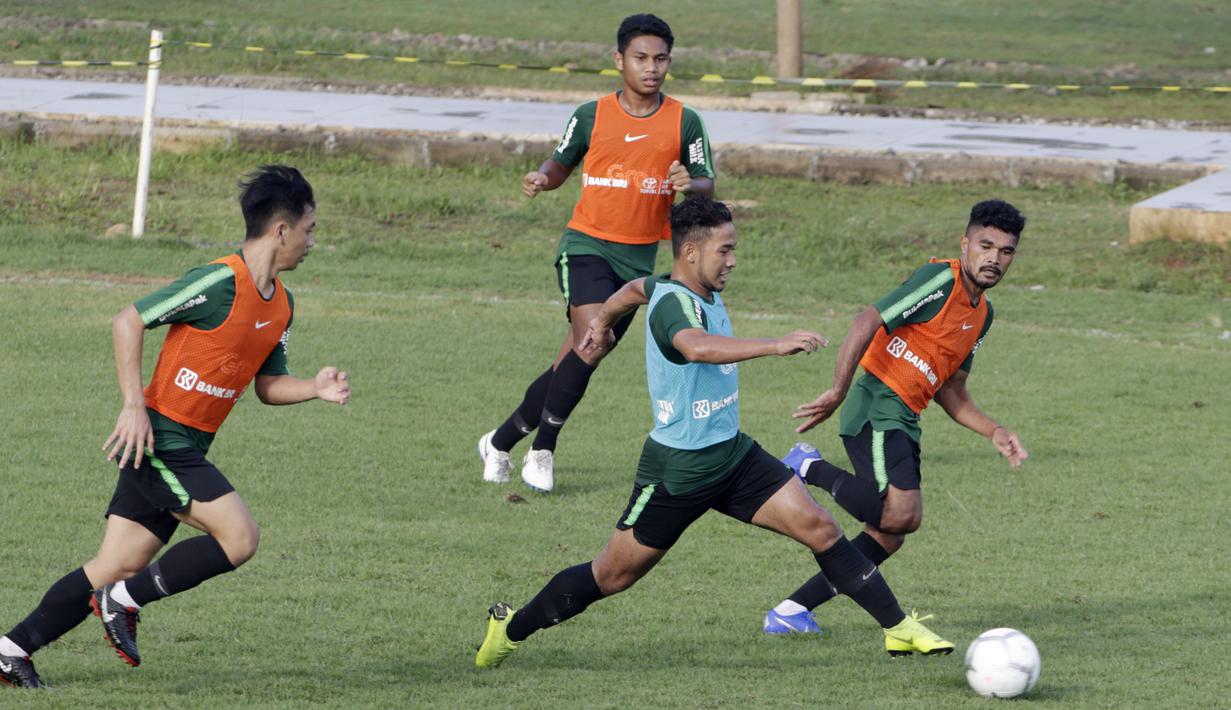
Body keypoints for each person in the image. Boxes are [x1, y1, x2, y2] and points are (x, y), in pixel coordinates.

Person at [474, 198, 953, 669]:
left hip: (734, 457)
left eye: (733, 248)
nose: (733, 260)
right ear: (691, 252)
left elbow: (634, 287)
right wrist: (775, 344)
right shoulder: (673, 307)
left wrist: (601, 320)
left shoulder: (673, 283)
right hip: (678, 472)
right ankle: (511, 628)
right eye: (724, 250)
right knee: (612, 575)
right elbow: (697, 347)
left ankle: (897, 629)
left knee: (822, 528)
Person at [0, 166, 351, 688]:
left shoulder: (281, 305)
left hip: (184, 445)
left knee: (115, 563)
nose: (313, 240)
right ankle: (121, 603)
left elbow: (268, 385)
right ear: (281, 229)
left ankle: (11, 650)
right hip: (159, 437)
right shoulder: (217, 281)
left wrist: (313, 388)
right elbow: (129, 319)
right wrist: (132, 405)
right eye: (311, 228)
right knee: (239, 536)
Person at [762, 199, 1028, 635]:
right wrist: (838, 389)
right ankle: (807, 466)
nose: (994, 259)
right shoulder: (940, 279)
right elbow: (867, 319)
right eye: (986, 246)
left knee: (888, 533)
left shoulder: (983, 316)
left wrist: (994, 431)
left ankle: (791, 610)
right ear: (966, 244)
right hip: (877, 407)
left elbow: (952, 390)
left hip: (905, 419)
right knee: (903, 514)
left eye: (1006, 251)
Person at [477, 13, 715, 493]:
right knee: (593, 340)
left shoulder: (685, 120)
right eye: (641, 58)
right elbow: (561, 161)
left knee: (576, 355)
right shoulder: (592, 114)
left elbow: (706, 181)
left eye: (661, 59)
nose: (652, 68)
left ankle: (499, 442)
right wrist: (543, 177)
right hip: (586, 245)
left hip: (638, 261)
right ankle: (543, 451)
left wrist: (693, 184)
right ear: (619, 60)